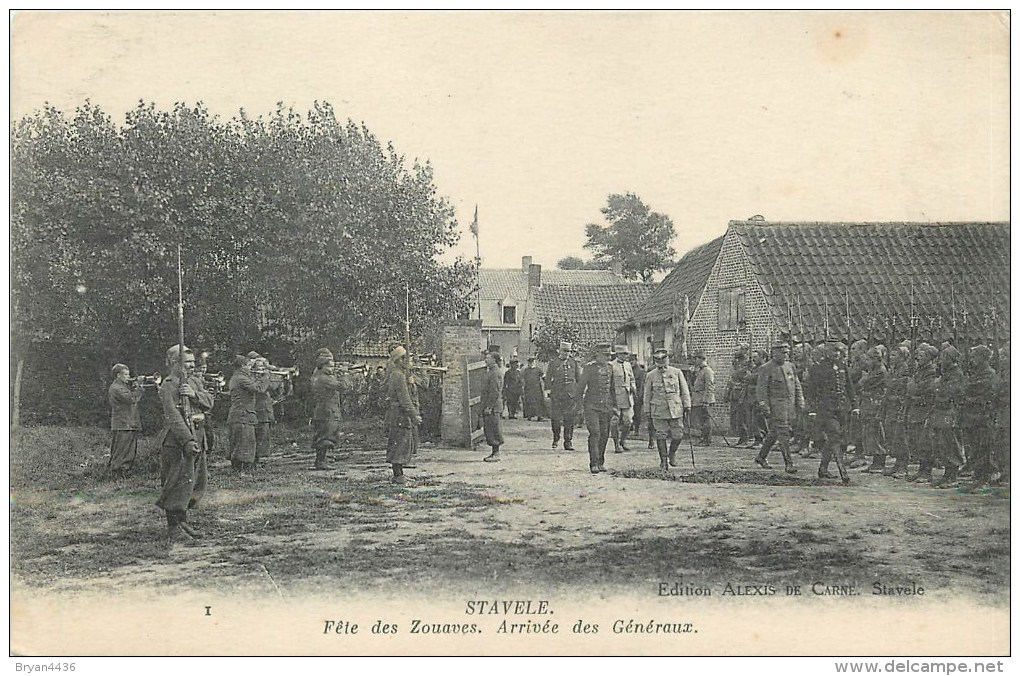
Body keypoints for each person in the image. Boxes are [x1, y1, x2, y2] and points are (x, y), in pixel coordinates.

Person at [155, 344, 215, 545]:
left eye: (192, 363)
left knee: (194, 481)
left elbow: (210, 402)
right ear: (174, 363)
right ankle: (173, 526)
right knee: (177, 482)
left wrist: (193, 394)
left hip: (198, 436)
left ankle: (182, 521)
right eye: (186, 363)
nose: (191, 366)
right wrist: (187, 439)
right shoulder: (169, 385)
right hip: (178, 441)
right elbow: (172, 415)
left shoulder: (194, 382)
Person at [803, 341, 851, 483]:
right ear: (826, 352)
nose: (836, 353)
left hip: (841, 408)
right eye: (832, 351)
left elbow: (849, 387)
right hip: (825, 409)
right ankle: (843, 472)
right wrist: (811, 410)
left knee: (834, 438)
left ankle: (823, 469)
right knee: (834, 436)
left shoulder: (842, 366)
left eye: (838, 351)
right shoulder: (817, 368)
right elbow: (811, 391)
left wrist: (854, 406)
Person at [754, 342, 804, 475]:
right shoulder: (766, 368)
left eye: (787, 352)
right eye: (782, 352)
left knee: (774, 433)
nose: (786, 355)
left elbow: (797, 386)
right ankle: (789, 464)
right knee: (784, 433)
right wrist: (764, 406)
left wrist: (800, 402)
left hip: (789, 406)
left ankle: (761, 457)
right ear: (774, 353)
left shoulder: (790, 366)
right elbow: (761, 390)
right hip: (776, 406)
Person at [959, 345, 1001, 491]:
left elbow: (979, 393)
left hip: (982, 417)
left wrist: (968, 397)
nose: (972, 360)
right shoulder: (976, 373)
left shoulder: (989, 374)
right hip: (972, 417)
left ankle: (983, 479)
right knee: (974, 448)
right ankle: (977, 477)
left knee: (983, 448)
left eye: (975, 357)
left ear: (983, 358)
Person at [643, 346, 692, 471]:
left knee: (678, 435)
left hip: (675, 408)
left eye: (663, 360)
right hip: (658, 409)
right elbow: (647, 394)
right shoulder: (650, 375)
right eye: (658, 361)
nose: (661, 364)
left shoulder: (677, 372)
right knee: (661, 435)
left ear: (667, 360)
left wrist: (687, 404)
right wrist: (647, 410)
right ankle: (663, 460)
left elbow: (684, 390)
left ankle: (672, 453)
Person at [576, 342, 617, 474]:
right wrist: (579, 406)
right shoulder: (589, 368)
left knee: (604, 434)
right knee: (595, 433)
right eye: (605, 355)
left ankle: (600, 462)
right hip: (591, 406)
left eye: (609, 355)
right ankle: (593, 463)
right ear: (597, 355)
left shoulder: (610, 368)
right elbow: (580, 388)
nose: (608, 358)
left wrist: (615, 406)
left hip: (606, 406)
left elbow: (612, 389)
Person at [929, 343, 966, 488]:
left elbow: (949, 393)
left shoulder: (956, 374)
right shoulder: (946, 374)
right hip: (941, 411)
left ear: (951, 359)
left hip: (950, 411)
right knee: (942, 443)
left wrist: (938, 391)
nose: (941, 360)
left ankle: (952, 475)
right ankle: (947, 474)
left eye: (944, 357)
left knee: (951, 443)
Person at [384, 346, 422, 484]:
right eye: (407, 358)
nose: (410, 360)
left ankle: (399, 474)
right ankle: (398, 476)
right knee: (400, 445)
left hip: (398, 414)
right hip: (399, 415)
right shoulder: (398, 375)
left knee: (400, 444)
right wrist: (414, 415)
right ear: (400, 360)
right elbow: (404, 399)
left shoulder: (398, 373)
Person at [226, 354, 269, 472]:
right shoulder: (241, 378)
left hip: (241, 414)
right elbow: (259, 389)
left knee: (242, 442)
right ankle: (243, 470)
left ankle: (239, 469)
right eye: (248, 365)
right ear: (243, 366)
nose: (250, 368)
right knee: (245, 442)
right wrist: (265, 377)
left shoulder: (238, 377)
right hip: (243, 415)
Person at [905, 343, 939, 484]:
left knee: (925, 442)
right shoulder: (919, 371)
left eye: (922, 354)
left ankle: (926, 472)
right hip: (916, 409)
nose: (918, 357)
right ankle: (921, 470)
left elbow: (924, 388)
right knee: (917, 441)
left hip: (925, 409)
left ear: (930, 357)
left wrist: (913, 387)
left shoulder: (931, 371)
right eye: (918, 354)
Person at [310, 348, 345, 470]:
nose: (332, 369)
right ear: (322, 366)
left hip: (326, 409)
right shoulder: (323, 378)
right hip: (327, 410)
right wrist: (344, 374)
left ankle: (323, 459)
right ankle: (320, 461)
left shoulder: (320, 376)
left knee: (327, 434)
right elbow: (342, 386)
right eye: (330, 367)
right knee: (325, 436)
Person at [107, 363, 145, 476]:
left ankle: (122, 471)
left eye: (128, 374)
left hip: (128, 422)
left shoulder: (122, 386)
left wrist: (135, 386)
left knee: (128, 449)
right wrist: (139, 386)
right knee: (123, 449)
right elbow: (132, 399)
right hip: (124, 422)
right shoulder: (117, 388)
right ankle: (119, 472)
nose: (128, 377)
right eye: (125, 374)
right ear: (118, 375)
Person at [881, 344, 912, 478]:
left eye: (895, 355)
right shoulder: (894, 369)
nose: (891, 358)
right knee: (893, 436)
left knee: (900, 436)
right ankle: (897, 464)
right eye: (891, 355)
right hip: (891, 406)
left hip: (899, 406)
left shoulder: (905, 369)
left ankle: (903, 466)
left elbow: (900, 386)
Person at [857, 345, 890, 473]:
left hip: (875, 404)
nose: (867, 362)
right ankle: (876, 462)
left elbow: (863, 384)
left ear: (876, 359)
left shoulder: (880, 371)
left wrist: (864, 379)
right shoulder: (873, 370)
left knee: (876, 433)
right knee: (871, 433)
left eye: (870, 359)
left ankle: (879, 462)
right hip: (869, 404)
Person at [251, 353, 287, 466]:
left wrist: (282, 379)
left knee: (264, 435)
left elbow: (272, 388)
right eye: (259, 367)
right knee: (258, 435)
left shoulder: (263, 377)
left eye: (263, 367)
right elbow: (260, 389)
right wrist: (266, 378)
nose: (262, 369)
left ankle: (259, 458)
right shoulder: (251, 378)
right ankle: (254, 459)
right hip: (257, 409)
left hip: (266, 409)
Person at [547, 341, 581, 451]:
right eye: (564, 351)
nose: (566, 353)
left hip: (570, 395)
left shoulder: (574, 363)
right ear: (559, 351)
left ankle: (568, 441)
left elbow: (578, 378)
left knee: (569, 419)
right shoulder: (553, 363)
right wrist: (547, 391)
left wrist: (579, 392)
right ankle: (556, 437)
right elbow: (548, 378)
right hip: (557, 395)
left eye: (568, 351)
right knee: (556, 419)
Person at [609, 345, 636, 453]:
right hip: (615, 398)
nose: (626, 356)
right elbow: (609, 383)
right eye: (624, 354)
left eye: (627, 354)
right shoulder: (611, 365)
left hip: (627, 398)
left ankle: (623, 440)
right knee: (614, 422)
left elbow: (632, 379)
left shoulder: (628, 365)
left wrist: (633, 387)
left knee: (628, 421)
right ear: (618, 354)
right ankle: (616, 444)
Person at [480, 345, 504, 462]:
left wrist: (489, 406)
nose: (486, 360)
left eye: (488, 358)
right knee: (489, 428)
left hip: (493, 407)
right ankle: (494, 453)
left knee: (494, 429)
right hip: (491, 406)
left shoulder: (495, 372)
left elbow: (494, 391)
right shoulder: (491, 371)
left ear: (494, 360)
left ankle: (496, 453)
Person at [690, 349, 716, 446]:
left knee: (706, 419)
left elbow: (709, 386)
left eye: (696, 359)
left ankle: (707, 439)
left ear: (701, 359)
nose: (695, 361)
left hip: (704, 400)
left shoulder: (707, 371)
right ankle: (703, 438)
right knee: (701, 420)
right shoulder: (700, 370)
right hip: (698, 399)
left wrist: (706, 401)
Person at [724, 348, 750, 446]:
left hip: (741, 397)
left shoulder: (744, 368)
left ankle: (745, 437)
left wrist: (741, 397)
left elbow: (744, 384)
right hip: (734, 396)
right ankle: (741, 437)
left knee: (742, 418)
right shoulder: (736, 367)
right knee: (737, 418)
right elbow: (730, 382)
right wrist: (727, 395)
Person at [521, 356, 546, 421]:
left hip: (537, 389)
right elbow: (523, 379)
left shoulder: (538, 369)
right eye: (530, 362)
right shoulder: (526, 370)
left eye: (533, 361)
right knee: (529, 402)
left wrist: (547, 384)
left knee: (538, 402)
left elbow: (544, 377)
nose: (531, 363)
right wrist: (523, 387)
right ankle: (529, 415)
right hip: (529, 389)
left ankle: (539, 416)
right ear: (528, 362)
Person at [630, 355, 646, 437]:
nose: (631, 362)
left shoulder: (640, 371)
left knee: (637, 413)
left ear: (636, 360)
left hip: (637, 395)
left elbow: (642, 385)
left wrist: (639, 395)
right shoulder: (628, 369)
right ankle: (630, 426)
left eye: (632, 360)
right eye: (630, 360)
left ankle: (637, 429)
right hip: (629, 394)